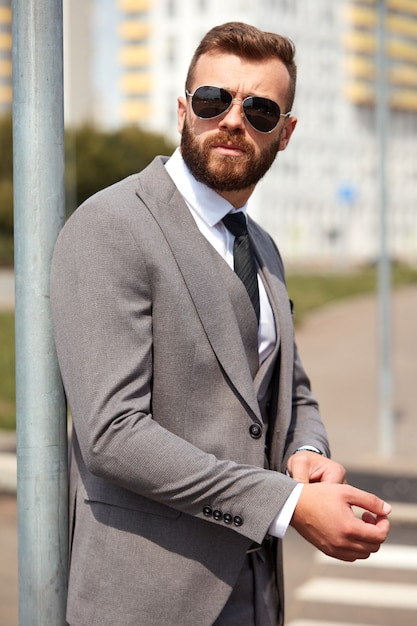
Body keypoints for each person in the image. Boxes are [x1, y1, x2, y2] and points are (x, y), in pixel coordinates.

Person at [51, 21, 391, 626]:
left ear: (284, 135)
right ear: (183, 110)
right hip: (146, 601)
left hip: (255, 592)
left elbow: (291, 387)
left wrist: (308, 451)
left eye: (260, 110)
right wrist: (287, 504)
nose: (234, 120)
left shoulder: (260, 245)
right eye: (214, 100)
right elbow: (113, 434)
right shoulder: (111, 226)